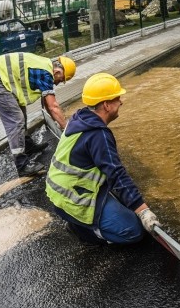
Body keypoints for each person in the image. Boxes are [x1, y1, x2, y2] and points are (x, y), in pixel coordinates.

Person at [45, 73, 160, 245]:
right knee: (134, 231)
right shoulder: (98, 135)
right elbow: (116, 174)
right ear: (106, 105)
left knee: (121, 201)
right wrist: (143, 211)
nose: (121, 102)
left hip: (58, 197)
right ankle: (86, 232)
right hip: (73, 202)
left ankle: (78, 222)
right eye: (117, 98)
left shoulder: (79, 119)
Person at [0, 52, 75, 177]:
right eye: (60, 80)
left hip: (0, 75)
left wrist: (58, 121)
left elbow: (48, 105)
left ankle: (28, 146)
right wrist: (66, 128)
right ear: (58, 72)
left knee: (21, 113)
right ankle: (22, 165)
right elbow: (53, 107)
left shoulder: (45, 66)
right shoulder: (45, 74)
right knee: (16, 120)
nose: (57, 83)